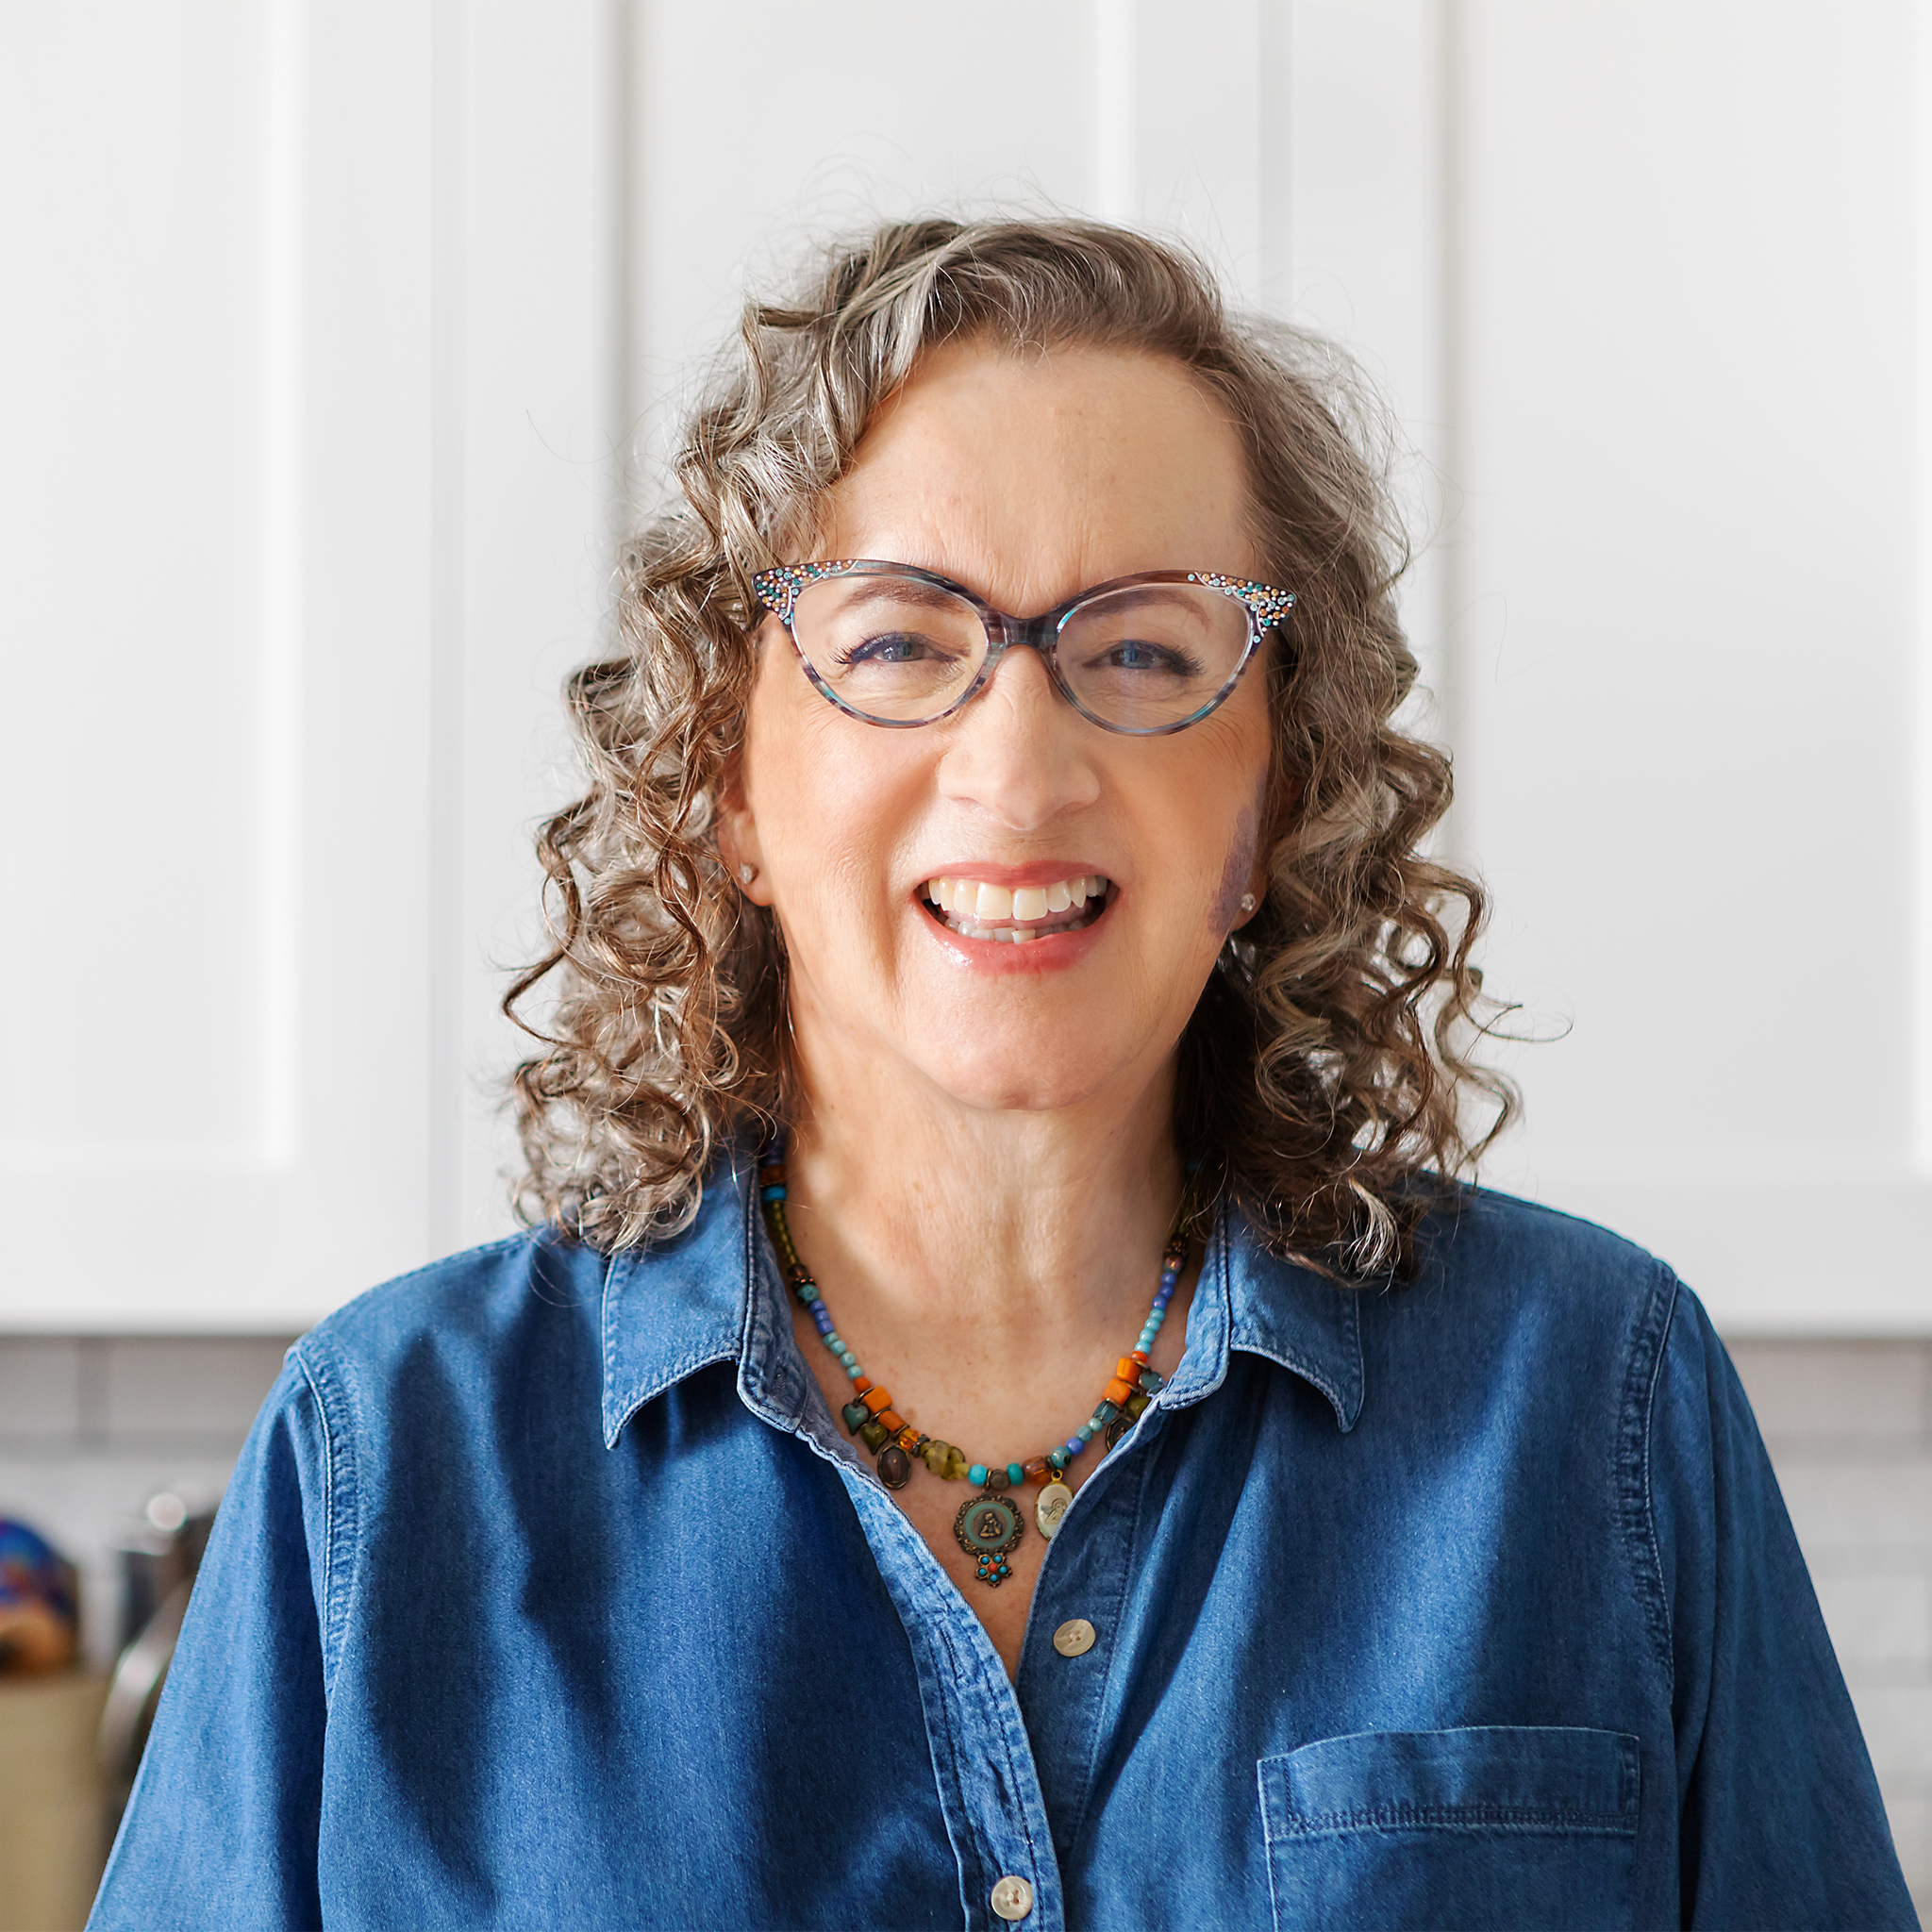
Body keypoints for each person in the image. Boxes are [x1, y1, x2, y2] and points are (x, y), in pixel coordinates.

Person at [90, 218, 1914, 1931]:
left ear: (1275, 795)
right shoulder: (391, 1459)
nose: (1020, 766)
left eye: (1140, 649)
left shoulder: (1593, 1399)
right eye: (898, 643)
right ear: (730, 786)